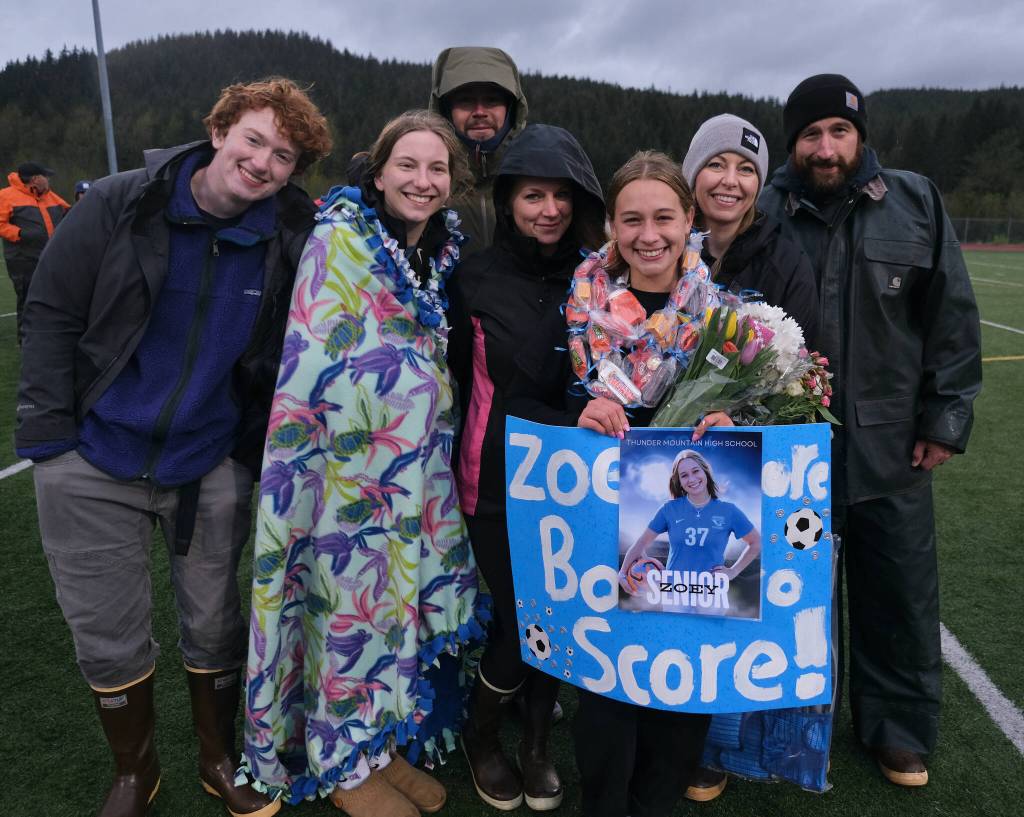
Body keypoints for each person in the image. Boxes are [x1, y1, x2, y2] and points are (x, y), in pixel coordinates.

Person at [15, 78, 332, 817]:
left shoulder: (293, 232)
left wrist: (247, 453)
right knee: (106, 631)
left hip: (208, 459)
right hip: (92, 456)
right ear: (219, 130)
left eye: (283, 155)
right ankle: (136, 769)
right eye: (254, 139)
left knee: (219, 620)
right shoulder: (122, 201)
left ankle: (217, 756)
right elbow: (52, 312)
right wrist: (50, 442)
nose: (263, 163)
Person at [242, 110, 487, 817]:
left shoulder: (435, 250)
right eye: (407, 164)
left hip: (414, 470)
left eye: (437, 167)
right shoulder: (341, 239)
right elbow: (323, 358)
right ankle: (340, 758)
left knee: (394, 603)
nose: (423, 179)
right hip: (344, 472)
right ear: (376, 172)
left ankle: (377, 744)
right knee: (346, 607)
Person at [759, 73, 982, 787]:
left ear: (861, 136)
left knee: (897, 592)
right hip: (789, 446)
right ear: (793, 143)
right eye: (811, 135)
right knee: (784, 592)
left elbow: (950, 315)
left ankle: (898, 730)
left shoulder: (915, 201)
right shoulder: (764, 210)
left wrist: (945, 417)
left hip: (890, 443)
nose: (826, 149)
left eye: (839, 132)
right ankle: (782, 724)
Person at [448, 123, 605, 811]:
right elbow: (449, 377)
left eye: (561, 196)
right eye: (532, 194)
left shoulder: (601, 277)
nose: (548, 209)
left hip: (576, 482)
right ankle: (481, 737)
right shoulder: (473, 276)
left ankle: (537, 743)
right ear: (508, 201)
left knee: (559, 617)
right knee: (518, 622)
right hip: (492, 483)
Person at [678, 112, 821, 802]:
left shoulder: (784, 254)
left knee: (741, 598)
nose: (728, 181)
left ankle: (726, 742)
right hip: (678, 456)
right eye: (715, 164)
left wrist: (741, 412)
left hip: (750, 460)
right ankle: (680, 732)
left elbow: (802, 363)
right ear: (691, 175)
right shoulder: (665, 241)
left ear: (759, 186)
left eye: (744, 169)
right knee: (680, 597)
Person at [571, 151, 711, 817]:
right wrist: (577, 409)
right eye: (632, 219)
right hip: (597, 513)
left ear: (690, 219)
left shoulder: (722, 312)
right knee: (606, 676)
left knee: (682, 669)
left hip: (684, 528)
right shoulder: (580, 305)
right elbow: (541, 393)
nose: (648, 234)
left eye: (664, 217)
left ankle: (656, 800)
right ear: (611, 224)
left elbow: (761, 414)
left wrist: (731, 415)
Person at [428, 46, 528, 257]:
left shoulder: (536, 176)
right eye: (465, 101)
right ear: (446, 110)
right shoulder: (424, 184)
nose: (480, 112)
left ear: (511, 108)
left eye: (492, 100)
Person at [618, 449, 761, 592]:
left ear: (705, 472)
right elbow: (641, 543)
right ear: (679, 481)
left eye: (696, 471)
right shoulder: (669, 509)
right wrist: (623, 573)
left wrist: (733, 571)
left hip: (711, 593)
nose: (691, 479)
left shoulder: (728, 510)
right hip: (674, 591)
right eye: (684, 475)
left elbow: (756, 542)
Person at [0, 161, 70, 342]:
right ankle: (26, 341)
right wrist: (20, 233)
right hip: (23, 261)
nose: (48, 180)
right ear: (35, 179)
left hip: (50, 257)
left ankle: (51, 335)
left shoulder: (50, 196)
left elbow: (70, 212)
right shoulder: (6, 196)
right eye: (46, 177)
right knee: (28, 300)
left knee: (55, 297)